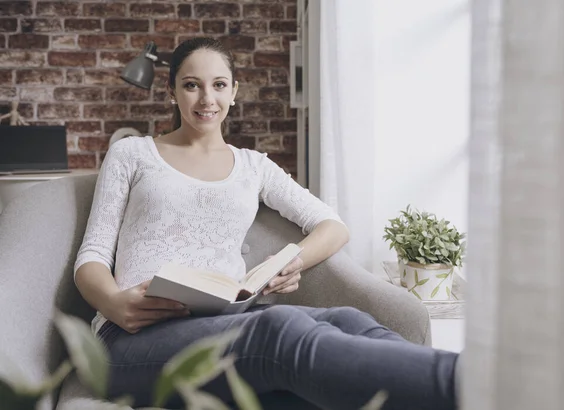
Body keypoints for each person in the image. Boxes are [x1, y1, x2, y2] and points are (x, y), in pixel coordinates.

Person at [74, 37, 459, 410]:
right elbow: (92, 254)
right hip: (131, 337)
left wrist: (293, 261)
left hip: (224, 321)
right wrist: (113, 302)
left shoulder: (254, 167)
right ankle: (469, 385)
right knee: (280, 330)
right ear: (172, 92)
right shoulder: (132, 154)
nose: (207, 99)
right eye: (191, 85)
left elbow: (332, 225)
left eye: (219, 85)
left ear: (234, 91)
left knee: (347, 319)